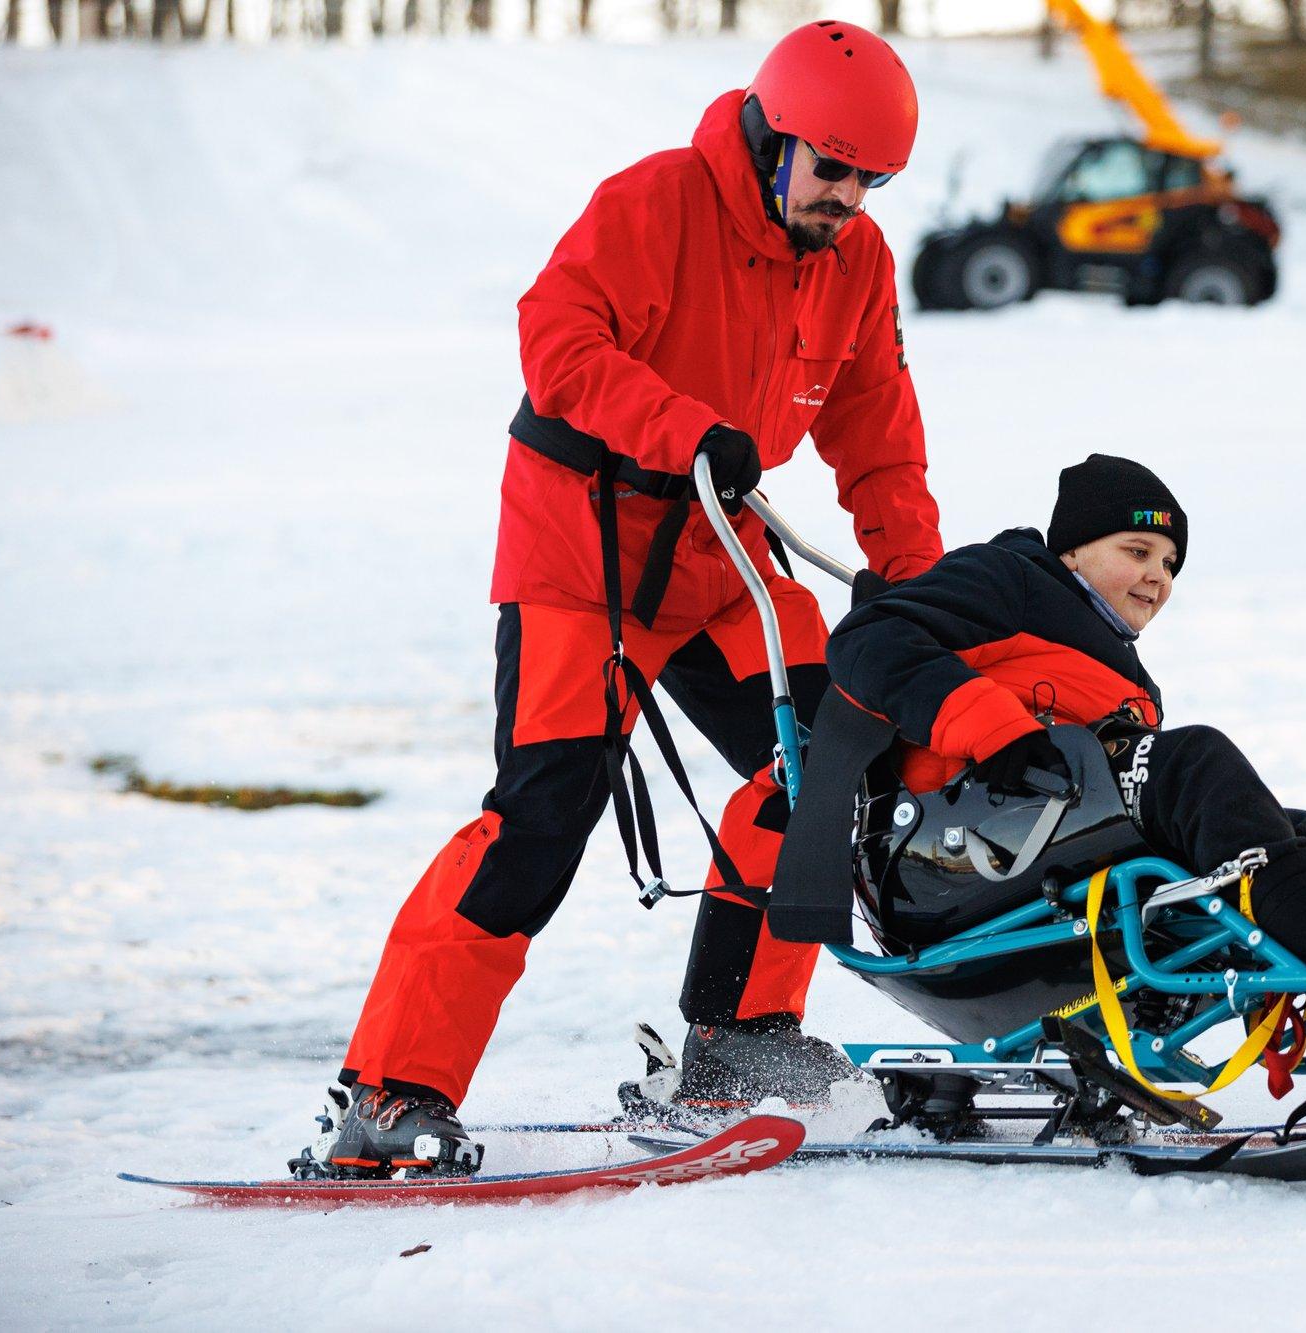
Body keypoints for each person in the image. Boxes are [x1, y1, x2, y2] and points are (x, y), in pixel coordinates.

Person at [305, 22, 944, 1178]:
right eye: (833, 169)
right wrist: (679, 426)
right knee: (539, 821)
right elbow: (553, 342)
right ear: (772, 137)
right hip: (582, 550)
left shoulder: (855, 262)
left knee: (822, 762)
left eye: (873, 178)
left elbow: (877, 436)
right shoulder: (655, 203)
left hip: (720, 553)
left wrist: (910, 579)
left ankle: (737, 1043)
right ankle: (390, 1093)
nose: (850, 197)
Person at [826, 454, 1306, 982]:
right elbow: (871, 639)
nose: (1160, 576)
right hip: (948, 843)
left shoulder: (1135, 684)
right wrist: (999, 732)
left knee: (1288, 825)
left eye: (1170, 563)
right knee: (1194, 762)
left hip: (1054, 841)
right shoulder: (1010, 580)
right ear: (1073, 551)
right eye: (1137, 552)